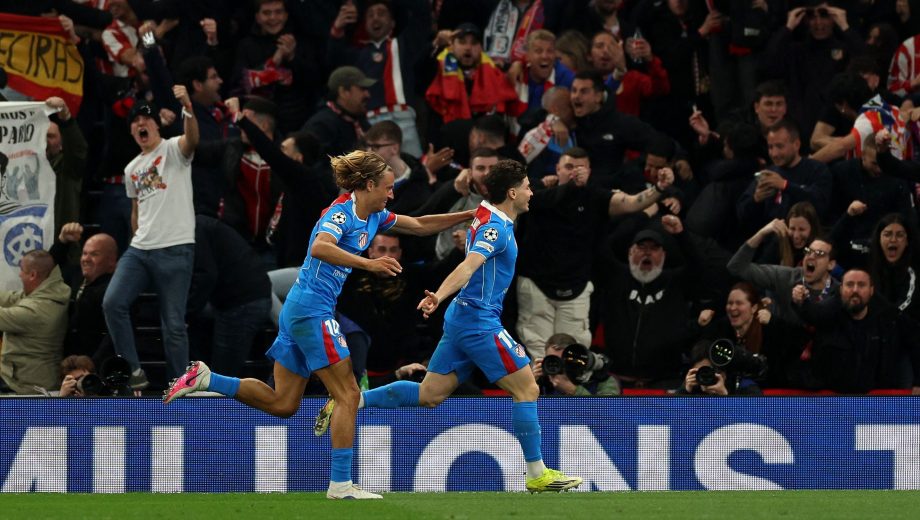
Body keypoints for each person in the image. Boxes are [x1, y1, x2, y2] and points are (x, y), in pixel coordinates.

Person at [164, 150, 475, 500]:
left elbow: (418, 225)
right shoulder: (341, 213)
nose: (391, 194)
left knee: (283, 403)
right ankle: (341, 485)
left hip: (301, 310)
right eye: (387, 188)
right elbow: (319, 247)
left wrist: (469, 214)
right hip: (312, 311)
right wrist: (368, 264)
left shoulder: (374, 216)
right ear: (368, 185)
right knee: (349, 395)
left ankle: (206, 378)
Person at [313, 159, 582, 493]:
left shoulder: (489, 217)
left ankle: (351, 401)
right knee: (527, 389)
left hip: (464, 318)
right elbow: (468, 266)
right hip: (478, 321)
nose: (531, 192)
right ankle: (537, 474)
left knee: (429, 394)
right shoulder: (495, 228)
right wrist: (438, 296)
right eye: (527, 187)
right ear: (512, 193)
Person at [102, 85, 199, 389]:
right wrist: (136, 238)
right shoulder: (131, 168)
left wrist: (187, 107)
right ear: (132, 131)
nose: (140, 123)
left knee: (173, 325)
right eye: (135, 121)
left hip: (175, 247)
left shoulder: (172, 149)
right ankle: (133, 371)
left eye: (146, 119)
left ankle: (179, 386)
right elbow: (136, 210)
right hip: (140, 248)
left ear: (157, 125)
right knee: (112, 302)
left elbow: (192, 139)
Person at [792, 268, 920, 394]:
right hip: (832, 396)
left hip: (874, 396)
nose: (855, 290)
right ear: (841, 289)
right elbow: (810, 313)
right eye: (849, 284)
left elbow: (915, 338)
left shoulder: (887, 318)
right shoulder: (828, 312)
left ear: (871, 290)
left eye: (861, 285)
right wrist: (799, 300)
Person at [0, 250, 71, 394]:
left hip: (27, 388)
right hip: (19, 378)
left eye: (22, 270)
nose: (20, 275)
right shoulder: (47, 292)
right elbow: (11, 298)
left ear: (33, 275)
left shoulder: (37, 310)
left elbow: (3, 316)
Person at [532, 333, 620, 396]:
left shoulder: (602, 380)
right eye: (553, 360)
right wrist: (530, 383)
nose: (560, 366)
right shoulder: (543, 381)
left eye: (564, 360)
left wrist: (573, 390)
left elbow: (606, 413)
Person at [674, 340, 762, 396]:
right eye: (700, 372)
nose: (705, 376)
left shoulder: (744, 387)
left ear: (722, 373)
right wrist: (684, 391)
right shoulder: (692, 388)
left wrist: (724, 397)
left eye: (708, 371)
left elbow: (756, 418)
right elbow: (673, 416)